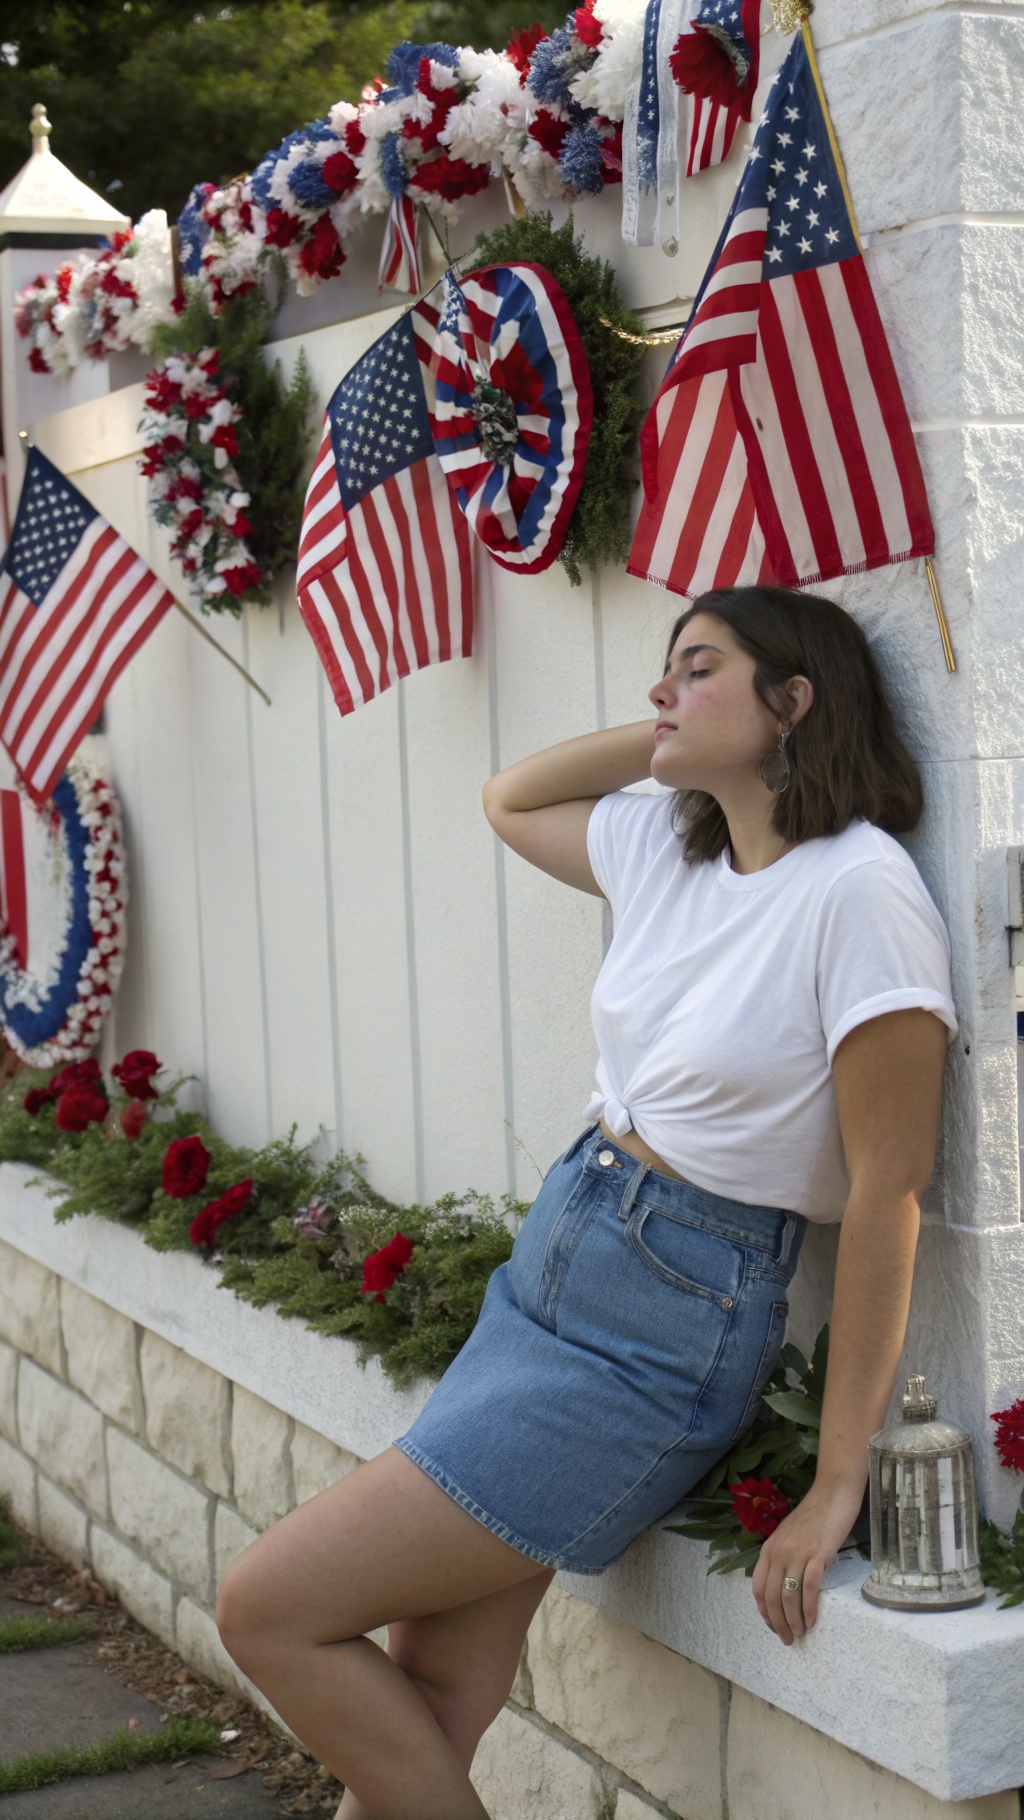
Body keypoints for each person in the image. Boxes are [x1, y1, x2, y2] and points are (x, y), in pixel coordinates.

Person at [216, 585, 956, 1820]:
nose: (659, 691)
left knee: (270, 1605)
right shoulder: (675, 847)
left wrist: (838, 1480)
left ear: (793, 701)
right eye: (663, 671)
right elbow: (512, 796)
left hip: (662, 1325)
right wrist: (675, 734)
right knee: (433, 1679)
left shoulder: (858, 891)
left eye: (696, 667)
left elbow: (891, 1190)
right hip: (557, 1267)